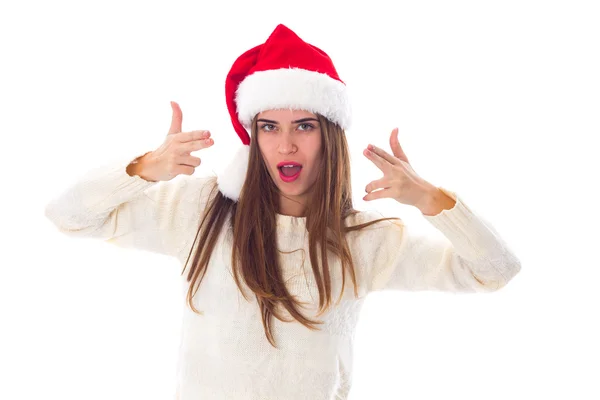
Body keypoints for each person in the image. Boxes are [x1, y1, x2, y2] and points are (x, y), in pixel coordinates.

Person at [44, 24, 521, 400]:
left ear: (329, 135)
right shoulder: (200, 211)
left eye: (304, 126)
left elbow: (495, 270)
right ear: (254, 135)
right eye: (269, 126)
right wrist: (144, 169)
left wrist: (430, 200)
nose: (286, 143)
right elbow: (69, 216)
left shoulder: (365, 240)